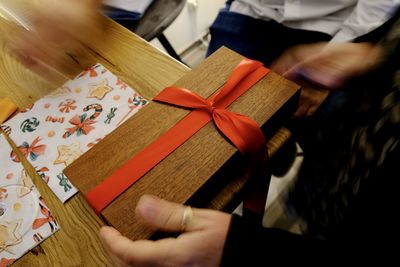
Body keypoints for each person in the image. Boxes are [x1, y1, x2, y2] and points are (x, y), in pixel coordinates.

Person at [99, 7, 400, 267]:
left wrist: (243, 253)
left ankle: (272, 156)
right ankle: (274, 158)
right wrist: (381, 58)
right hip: (357, 144)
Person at [207, 0, 400, 162]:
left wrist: (336, 54)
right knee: (211, 124)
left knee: (332, 141)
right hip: (251, 9)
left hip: (333, 22)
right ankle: (275, 146)